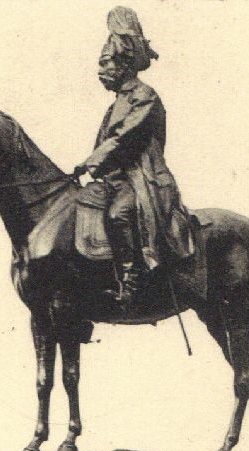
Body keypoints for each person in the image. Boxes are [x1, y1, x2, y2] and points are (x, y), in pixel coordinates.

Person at [73, 6, 193, 310]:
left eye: (106, 63)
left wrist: (90, 161)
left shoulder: (144, 96)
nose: (101, 71)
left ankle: (133, 280)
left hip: (141, 178)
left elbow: (123, 137)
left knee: (118, 215)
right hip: (115, 178)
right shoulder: (118, 102)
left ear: (125, 64)